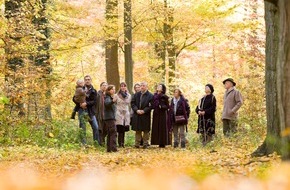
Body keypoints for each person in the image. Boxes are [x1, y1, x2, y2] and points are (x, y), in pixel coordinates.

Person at [73, 75, 100, 145]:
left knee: (96, 127)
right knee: (82, 127)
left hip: (91, 111)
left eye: (88, 79)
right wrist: (79, 104)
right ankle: (83, 144)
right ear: (84, 81)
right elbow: (74, 98)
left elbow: (94, 101)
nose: (87, 81)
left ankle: (96, 143)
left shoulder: (94, 90)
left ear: (91, 80)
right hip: (81, 110)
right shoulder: (80, 89)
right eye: (86, 79)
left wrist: (86, 104)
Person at [131, 82, 154, 149]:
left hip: (145, 115)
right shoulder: (136, 95)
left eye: (143, 86)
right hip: (137, 114)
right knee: (138, 130)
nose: (142, 87)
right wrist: (136, 110)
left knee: (146, 130)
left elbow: (151, 106)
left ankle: (145, 144)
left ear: (146, 87)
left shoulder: (150, 95)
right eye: (141, 86)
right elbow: (133, 103)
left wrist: (144, 111)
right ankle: (137, 144)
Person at [151, 84, 170, 148]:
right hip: (156, 113)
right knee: (156, 127)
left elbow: (167, 106)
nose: (158, 87)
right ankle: (156, 141)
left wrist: (162, 106)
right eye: (158, 86)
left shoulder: (164, 97)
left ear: (162, 89)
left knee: (162, 128)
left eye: (160, 86)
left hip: (163, 114)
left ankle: (163, 143)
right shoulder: (154, 96)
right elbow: (152, 104)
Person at [115, 82, 131, 148]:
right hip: (119, 112)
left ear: (126, 87)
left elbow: (128, 102)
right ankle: (119, 143)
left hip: (125, 113)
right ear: (120, 87)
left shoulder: (128, 95)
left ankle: (122, 143)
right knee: (119, 128)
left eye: (124, 86)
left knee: (124, 128)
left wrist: (124, 98)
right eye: (121, 86)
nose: (123, 87)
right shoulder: (116, 95)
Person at [104, 85, 118, 152]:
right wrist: (113, 101)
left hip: (110, 117)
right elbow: (106, 104)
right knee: (113, 132)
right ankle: (113, 148)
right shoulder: (107, 97)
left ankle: (109, 149)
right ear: (109, 90)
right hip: (109, 118)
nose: (114, 90)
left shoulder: (109, 97)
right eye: (112, 89)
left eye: (114, 89)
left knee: (110, 133)